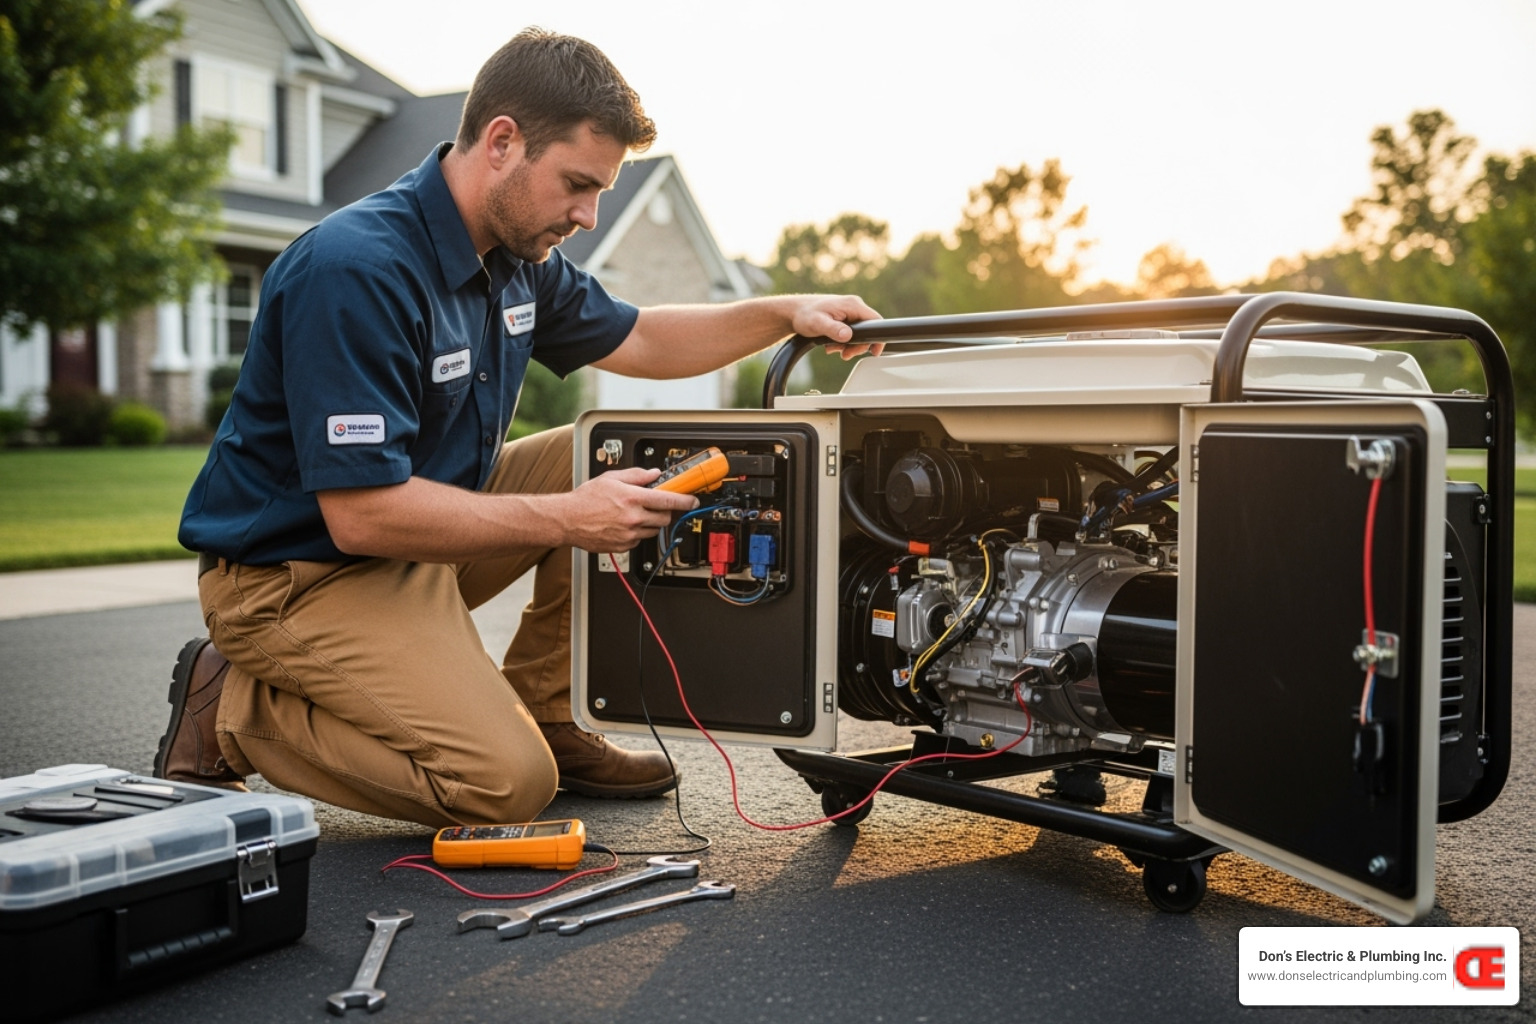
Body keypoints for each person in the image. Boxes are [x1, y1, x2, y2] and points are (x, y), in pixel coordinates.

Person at [156, 27, 878, 827]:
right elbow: (359, 514)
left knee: (592, 453)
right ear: (502, 141)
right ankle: (234, 711)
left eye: (599, 190)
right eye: (576, 183)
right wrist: (570, 519)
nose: (589, 214)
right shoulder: (357, 270)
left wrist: (785, 313)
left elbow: (641, 336)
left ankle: (551, 713)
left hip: (408, 543)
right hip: (294, 577)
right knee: (503, 786)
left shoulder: (517, 256)